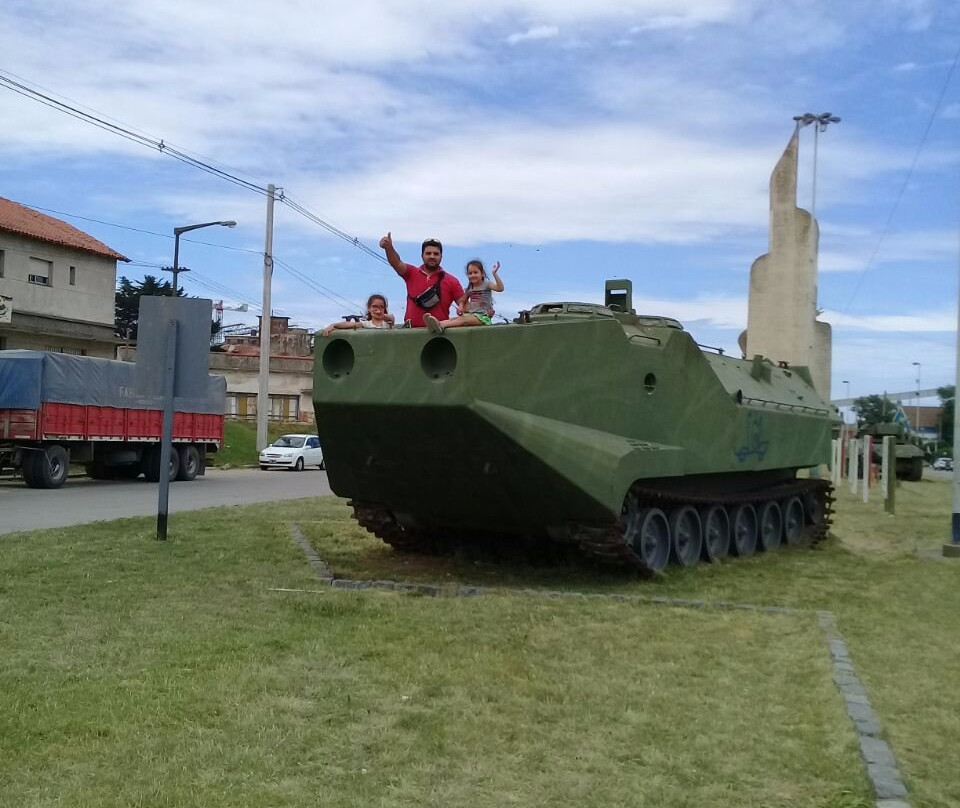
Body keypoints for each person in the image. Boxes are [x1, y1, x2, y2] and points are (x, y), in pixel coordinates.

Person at [379, 232, 465, 328]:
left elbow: (466, 306)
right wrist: (389, 248)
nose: (432, 256)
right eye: (428, 253)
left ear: (441, 256)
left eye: (436, 254)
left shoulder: (452, 281)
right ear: (422, 256)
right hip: (411, 334)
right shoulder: (411, 273)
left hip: (439, 335)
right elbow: (396, 263)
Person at [424, 260, 503, 334]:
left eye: (475, 272)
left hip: (483, 317)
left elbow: (500, 288)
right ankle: (435, 325)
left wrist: (494, 274)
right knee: (454, 319)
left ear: (482, 273)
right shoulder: (470, 288)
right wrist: (460, 307)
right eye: (470, 273)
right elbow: (463, 300)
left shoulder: (487, 284)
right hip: (472, 315)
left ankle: (440, 324)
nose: (473, 275)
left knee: (463, 320)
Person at [321, 293, 394, 337]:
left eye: (381, 307)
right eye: (375, 306)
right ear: (369, 308)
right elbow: (350, 324)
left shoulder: (388, 323)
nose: (378, 310)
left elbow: (391, 318)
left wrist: (382, 315)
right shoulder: (366, 324)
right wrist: (333, 325)